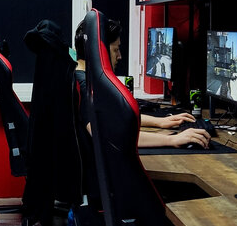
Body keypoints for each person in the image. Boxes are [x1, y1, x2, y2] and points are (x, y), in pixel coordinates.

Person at [73, 19, 211, 149]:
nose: (120, 56)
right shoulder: (84, 86)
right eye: (116, 49)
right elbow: (106, 135)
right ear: (98, 50)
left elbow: (117, 117)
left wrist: (160, 122)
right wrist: (172, 140)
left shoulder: (82, 77)